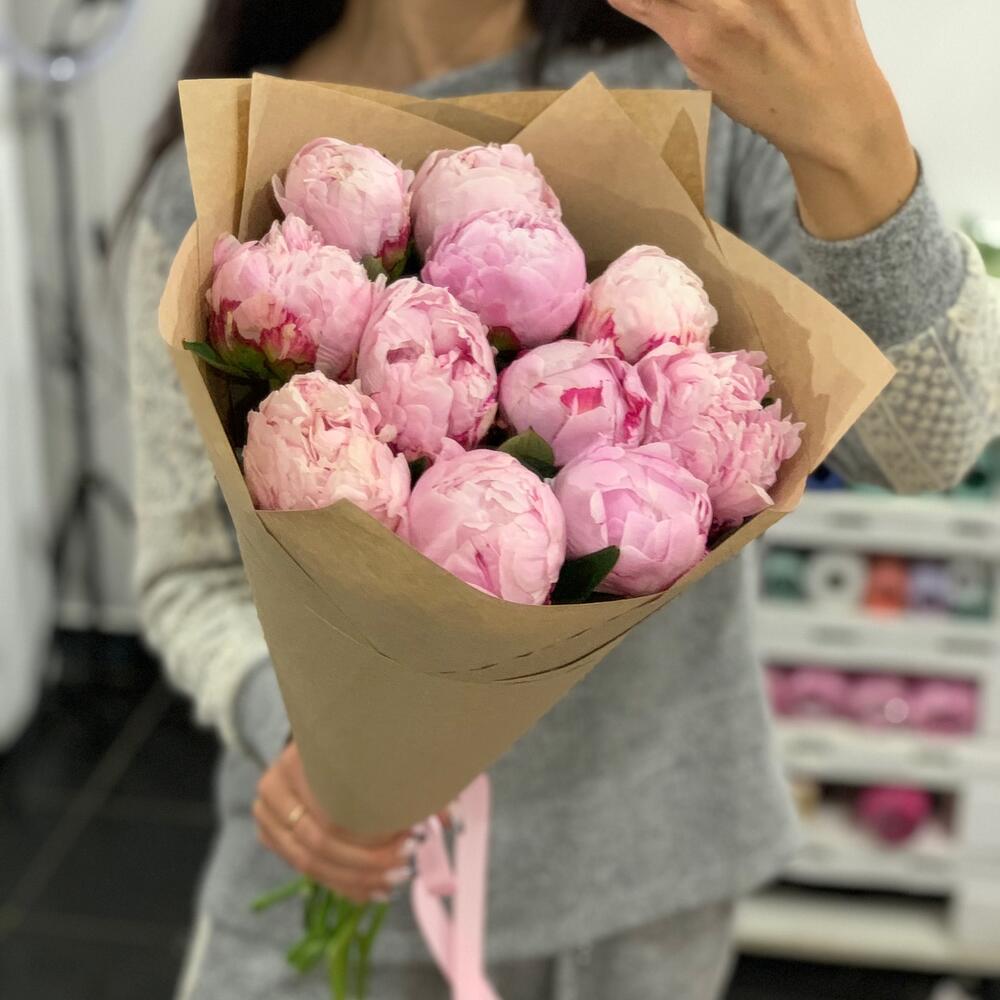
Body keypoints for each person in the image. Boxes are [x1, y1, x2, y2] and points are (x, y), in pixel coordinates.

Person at [126, 1, 1000, 998]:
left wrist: (857, 138)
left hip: (642, 885)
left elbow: (931, 443)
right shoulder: (219, 170)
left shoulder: (706, 87)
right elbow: (189, 572)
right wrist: (303, 731)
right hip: (338, 861)